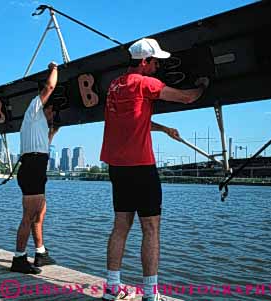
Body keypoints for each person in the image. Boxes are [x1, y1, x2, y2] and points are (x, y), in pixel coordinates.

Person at [100, 38, 209, 301]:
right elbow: (186, 98)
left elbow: (135, 120)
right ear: (144, 61)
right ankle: (151, 294)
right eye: (156, 61)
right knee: (151, 228)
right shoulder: (145, 83)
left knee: (120, 226)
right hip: (141, 166)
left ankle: (113, 288)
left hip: (117, 166)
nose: (159, 66)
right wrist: (204, 84)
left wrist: (163, 129)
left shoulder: (114, 86)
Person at [10, 61, 59, 274]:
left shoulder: (37, 126)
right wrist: (54, 69)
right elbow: (49, 88)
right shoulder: (34, 109)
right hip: (32, 167)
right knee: (29, 215)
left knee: (40, 213)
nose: (53, 114)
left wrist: (52, 134)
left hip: (36, 166)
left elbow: (41, 145)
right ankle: (19, 259)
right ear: (45, 106)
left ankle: (40, 253)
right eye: (53, 111)